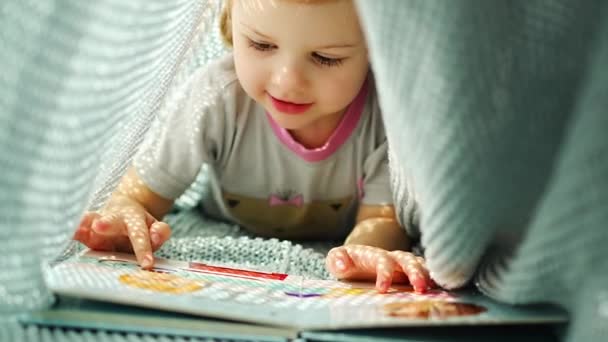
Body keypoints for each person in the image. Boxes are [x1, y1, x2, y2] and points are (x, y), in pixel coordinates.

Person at [73, 0, 432, 293]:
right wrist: (127, 216)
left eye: (326, 57)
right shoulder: (215, 97)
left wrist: (367, 251)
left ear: (376, 51)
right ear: (230, 22)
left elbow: (383, 217)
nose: (287, 81)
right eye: (262, 45)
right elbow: (138, 195)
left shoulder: (385, 115)